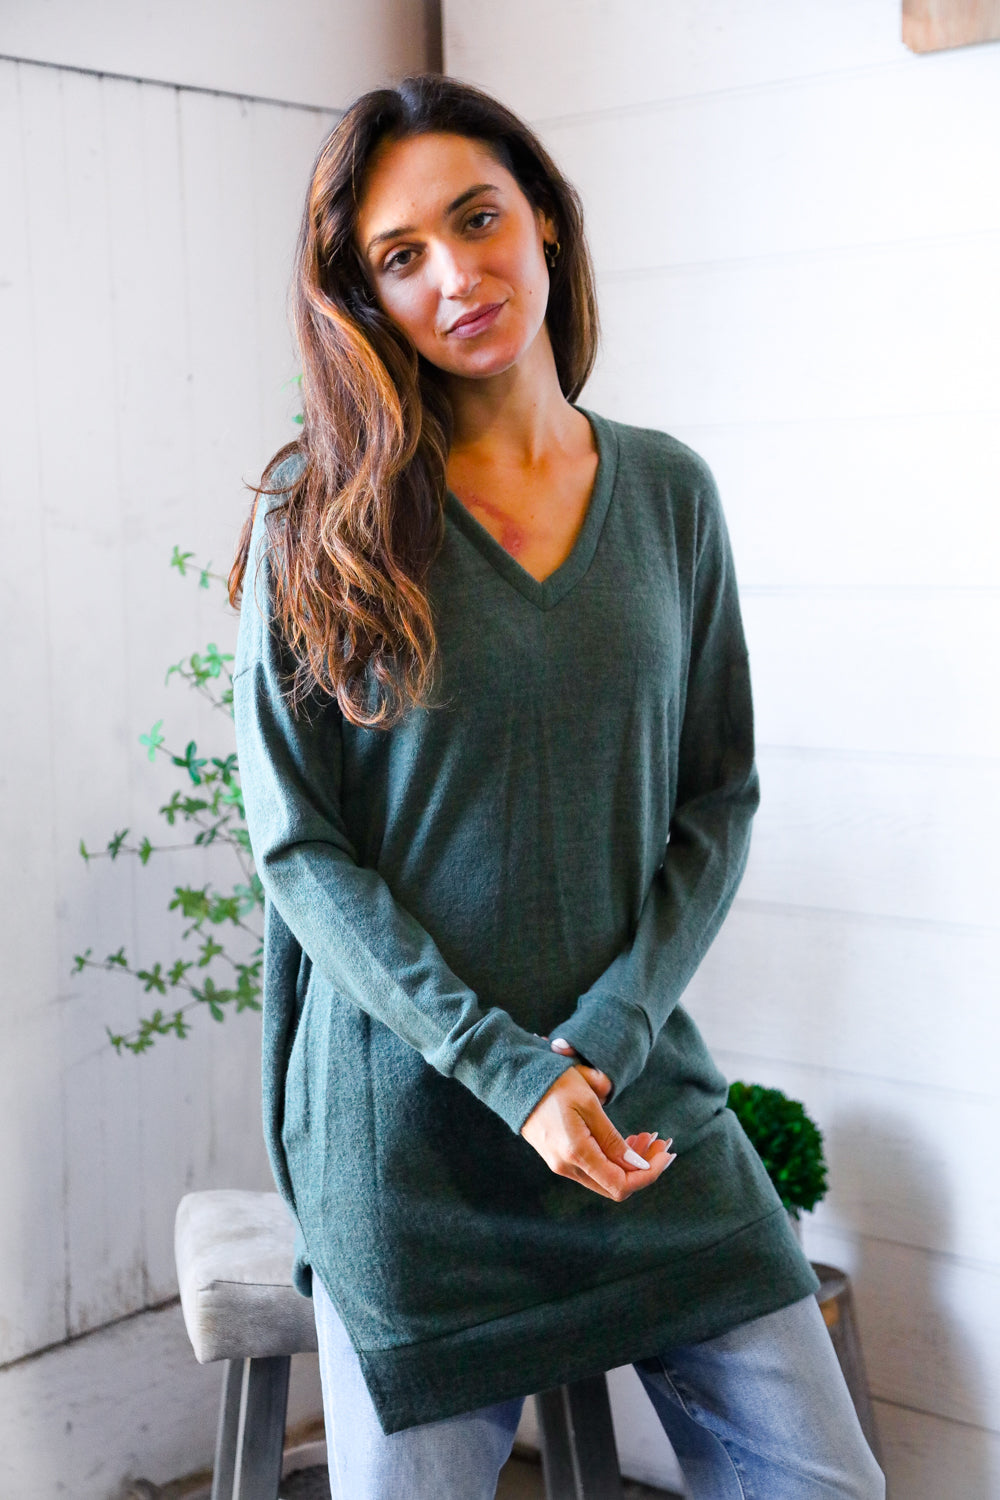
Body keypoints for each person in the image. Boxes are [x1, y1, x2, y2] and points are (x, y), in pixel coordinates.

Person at [230, 72, 884, 1500]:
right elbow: (300, 850)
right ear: (364, 297)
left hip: (638, 1100)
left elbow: (716, 800)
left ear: (545, 222)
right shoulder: (319, 521)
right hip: (412, 1150)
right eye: (402, 256)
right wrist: (513, 1073)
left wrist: (602, 1035)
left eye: (478, 220)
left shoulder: (668, 494)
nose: (456, 275)